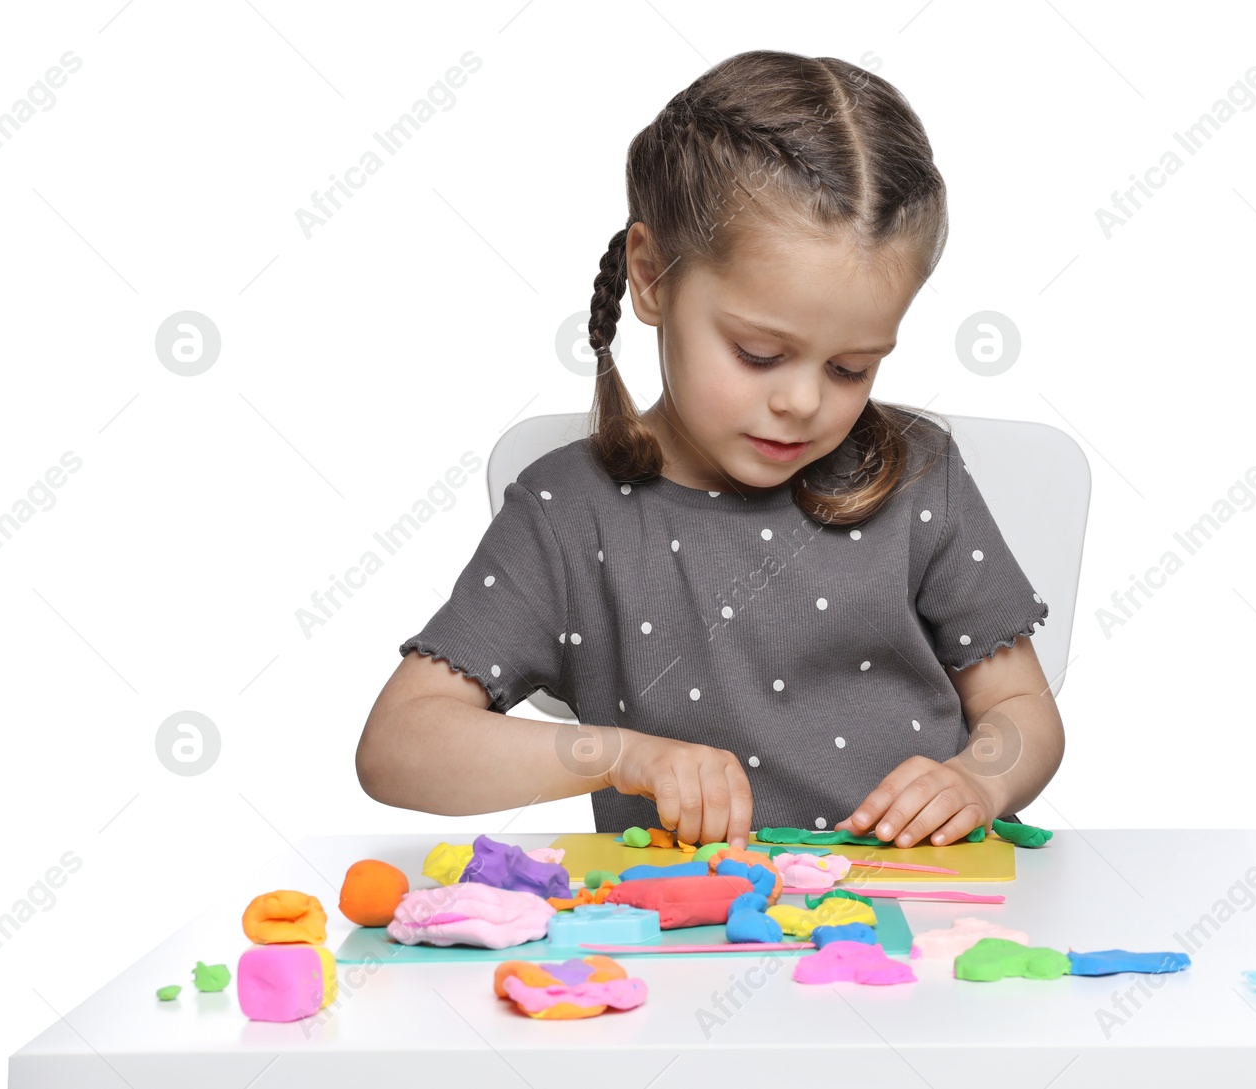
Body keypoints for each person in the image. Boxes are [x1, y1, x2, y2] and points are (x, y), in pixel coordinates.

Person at [356, 49, 1065, 853]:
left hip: (922, 932)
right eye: (760, 354)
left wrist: (982, 776)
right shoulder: (568, 512)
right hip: (690, 945)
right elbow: (399, 746)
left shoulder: (918, 474)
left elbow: (1020, 710)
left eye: (851, 367)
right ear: (653, 278)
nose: (801, 401)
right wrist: (619, 756)